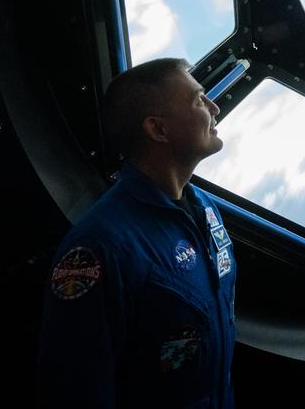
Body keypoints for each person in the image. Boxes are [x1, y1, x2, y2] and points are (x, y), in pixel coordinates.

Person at [36, 58, 236, 407]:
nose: (214, 107)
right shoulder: (99, 247)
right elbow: (77, 388)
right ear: (158, 130)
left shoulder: (205, 209)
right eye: (198, 99)